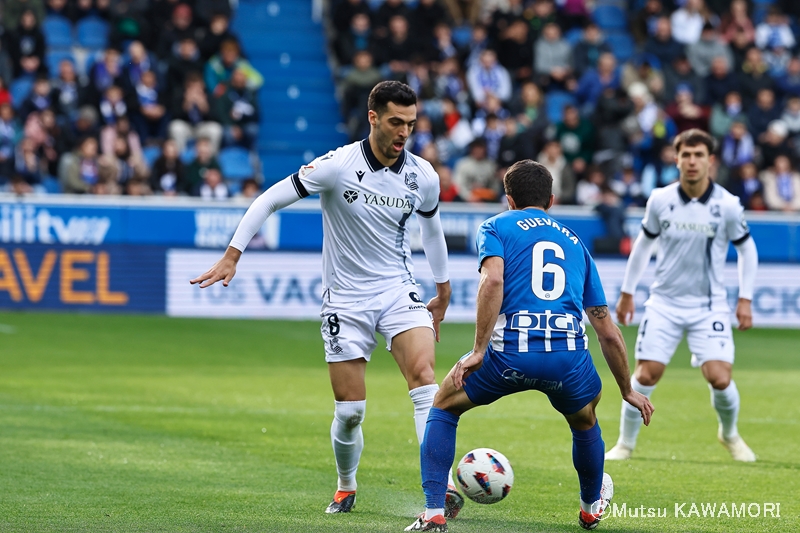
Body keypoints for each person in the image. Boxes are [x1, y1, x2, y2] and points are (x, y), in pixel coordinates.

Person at [189, 81, 463, 516]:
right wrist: (232, 255)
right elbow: (269, 199)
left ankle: (441, 487)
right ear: (373, 117)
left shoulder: (422, 175)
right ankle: (346, 484)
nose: (403, 133)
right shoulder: (337, 165)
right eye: (395, 122)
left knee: (425, 380)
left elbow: (431, 230)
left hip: (398, 289)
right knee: (351, 410)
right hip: (346, 299)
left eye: (410, 124)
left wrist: (443, 289)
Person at [406, 160, 654, 532]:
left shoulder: (495, 226)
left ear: (508, 199)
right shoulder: (574, 243)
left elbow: (492, 282)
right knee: (586, 420)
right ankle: (590, 507)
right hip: (568, 360)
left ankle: (433, 514)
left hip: (508, 356)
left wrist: (478, 350)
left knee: (442, 405)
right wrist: (627, 390)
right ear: (551, 200)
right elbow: (606, 327)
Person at [606, 129, 759, 463]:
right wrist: (627, 292)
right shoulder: (661, 199)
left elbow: (748, 250)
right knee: (646, 375)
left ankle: (729, 435)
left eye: (699, 155)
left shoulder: (728, 205)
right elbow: (643, 244)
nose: (692, 162)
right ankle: (625, 444)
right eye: (686, 155)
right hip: (664, 303)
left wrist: (745, 298)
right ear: (676, 159)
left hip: (709, 305)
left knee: (719, 377)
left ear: (710, 161)